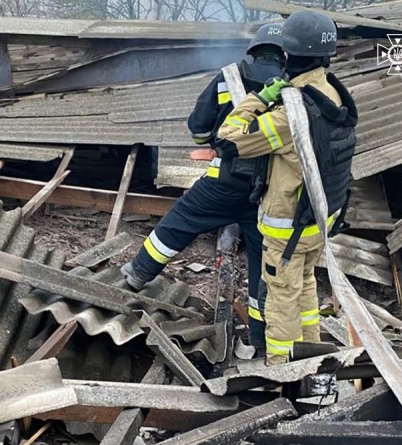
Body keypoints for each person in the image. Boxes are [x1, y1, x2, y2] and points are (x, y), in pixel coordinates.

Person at [121, 22, 285, 352]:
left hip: (223, 183)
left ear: (252, 50)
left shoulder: (229, 76)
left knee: (178, 223)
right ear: (284, 55)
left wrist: (216, 142)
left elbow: (198, 127)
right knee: (263, 265)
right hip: (269, 191)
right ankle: (258, 335)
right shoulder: (292, 84)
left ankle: (139, 273)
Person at [216, 12, 358, 366]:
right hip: (319, 220)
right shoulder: (332, 94)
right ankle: (313, 354)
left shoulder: (292, 112)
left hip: (287, 226)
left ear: (289, 56)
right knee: (304, 284)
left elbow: (228, 139)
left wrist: (259, 100)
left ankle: (284, 372)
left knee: (280, 296)